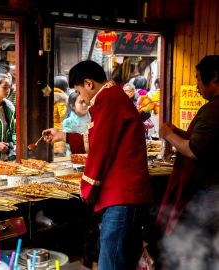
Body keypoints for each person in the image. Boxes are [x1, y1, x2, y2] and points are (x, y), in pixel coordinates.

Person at [42, 60, 153, 270]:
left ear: (88, 83)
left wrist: (87, 187)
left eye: (78, 91)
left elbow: (101, 149)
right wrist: (63, 136)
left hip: (121, 192)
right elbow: (98, 138)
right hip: (124, 191)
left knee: (110, 260)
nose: (80, 97)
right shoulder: (112, 97)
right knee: (119, 256)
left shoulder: (108, 100)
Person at [157, 55, 219, 269]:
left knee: (178, 245)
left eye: (198, 79)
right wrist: (181, 133)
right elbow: (209, 144)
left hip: (210, 192)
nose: (196, 86)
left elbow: (195, 151)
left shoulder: (213, 109)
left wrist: (168, 135)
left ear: (214, 77)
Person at [62, 91, 91, 156]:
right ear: (72, 106)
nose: (84, 105)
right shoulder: (68, 122)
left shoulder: (93, 115)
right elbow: (69, 143)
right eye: (81, 102)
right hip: (75, 155)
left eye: (85, 101)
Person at [53, 75, 68, 157]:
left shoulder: (49, 96)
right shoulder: (61, 98)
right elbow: (64, 116)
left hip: (51, 133)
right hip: (59, 134)